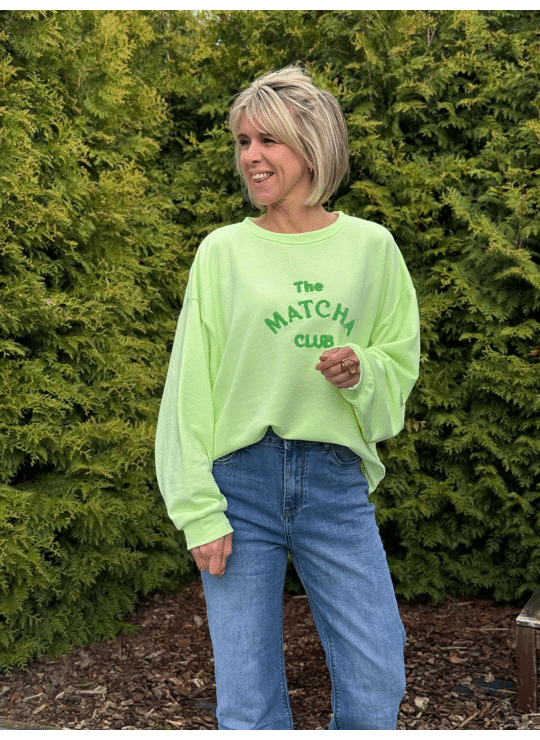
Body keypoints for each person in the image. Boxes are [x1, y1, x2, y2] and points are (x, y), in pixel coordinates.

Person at [155, 65, 420, 731]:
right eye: (243, 141)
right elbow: (189, 389)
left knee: (376, 677)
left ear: (311, 144)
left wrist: (361, 371)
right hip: (239, 486)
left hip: (335, 484)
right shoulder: (223, 253)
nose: (251, 156)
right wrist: (198, 511)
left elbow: (398, 362)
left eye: (267, 139)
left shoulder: (372, 248)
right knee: (247, 705)